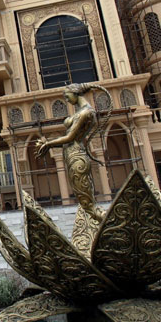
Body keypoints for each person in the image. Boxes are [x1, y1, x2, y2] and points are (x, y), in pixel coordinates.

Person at [35, 83, 110, 221]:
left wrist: (48, 144)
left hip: (77, 156)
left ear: (75, 93)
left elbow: (70, 137)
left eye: (67, 95)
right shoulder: (81, 112)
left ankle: (110, 221)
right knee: (86, 202)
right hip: (72, 155)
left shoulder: (86, 113)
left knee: (88, 205)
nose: (66, 99)